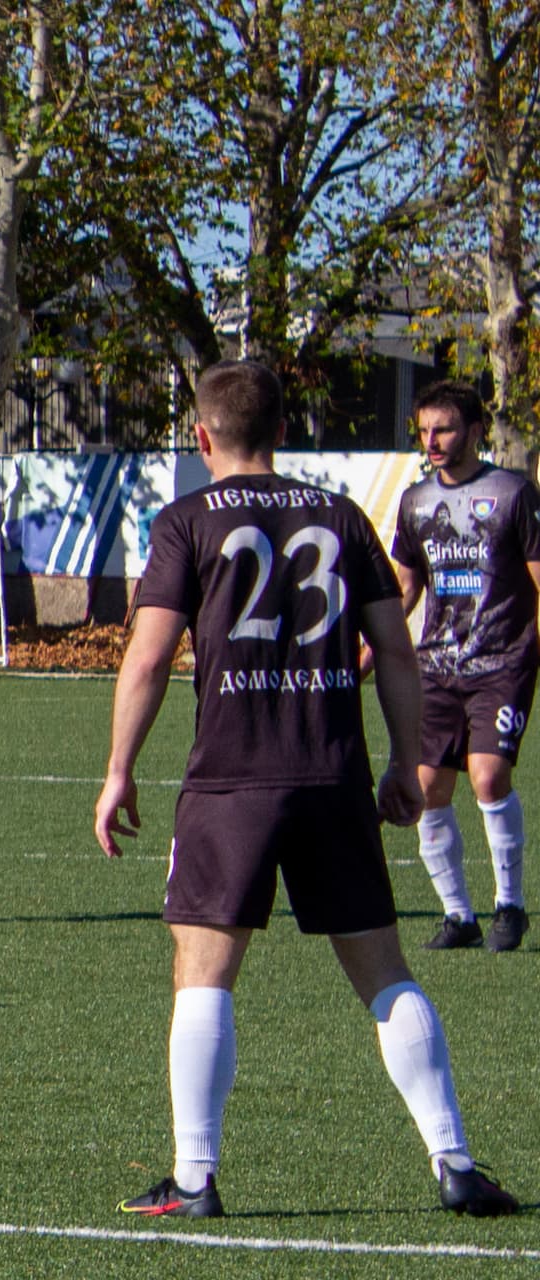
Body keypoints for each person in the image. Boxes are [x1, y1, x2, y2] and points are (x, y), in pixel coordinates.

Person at [94, 360, 516, 1218]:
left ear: (202, 437)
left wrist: (118, 771)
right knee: (386, 974)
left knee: (203, 975)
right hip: (332, 773)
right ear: (284, 431)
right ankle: (455, 1161)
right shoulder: (342, 515)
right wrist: (403, 760)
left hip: (231, 781)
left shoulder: (185, 521)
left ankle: (194, 1177)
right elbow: (396, 652)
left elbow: (147, 658)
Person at [388, 380, 540, 952]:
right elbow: (406, 587)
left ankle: (510, 907)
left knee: (489, 776)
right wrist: (369, 649)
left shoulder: (513, 493)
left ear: (475, 431)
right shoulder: (415, 501)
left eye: (444, 429)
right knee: (427, 787)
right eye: (424, 430)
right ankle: (459, 916)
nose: (432, 441)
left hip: (503, 660)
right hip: (436, 665)